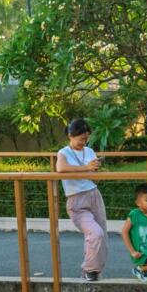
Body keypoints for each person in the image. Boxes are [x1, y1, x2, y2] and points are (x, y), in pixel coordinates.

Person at [56, 118, 107, 282]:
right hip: (76, 200)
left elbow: (94, 177)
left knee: (101, 237)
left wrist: (96, 170)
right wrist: (86, 167)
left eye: (86, 138)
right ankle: (90, 270)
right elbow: (61, 168)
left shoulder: (89, 151)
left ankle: (93, 272)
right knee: (95, 233)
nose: (84, 142)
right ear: (70, 135)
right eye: (81, 139)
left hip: (93, 195)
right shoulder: (63, 153)